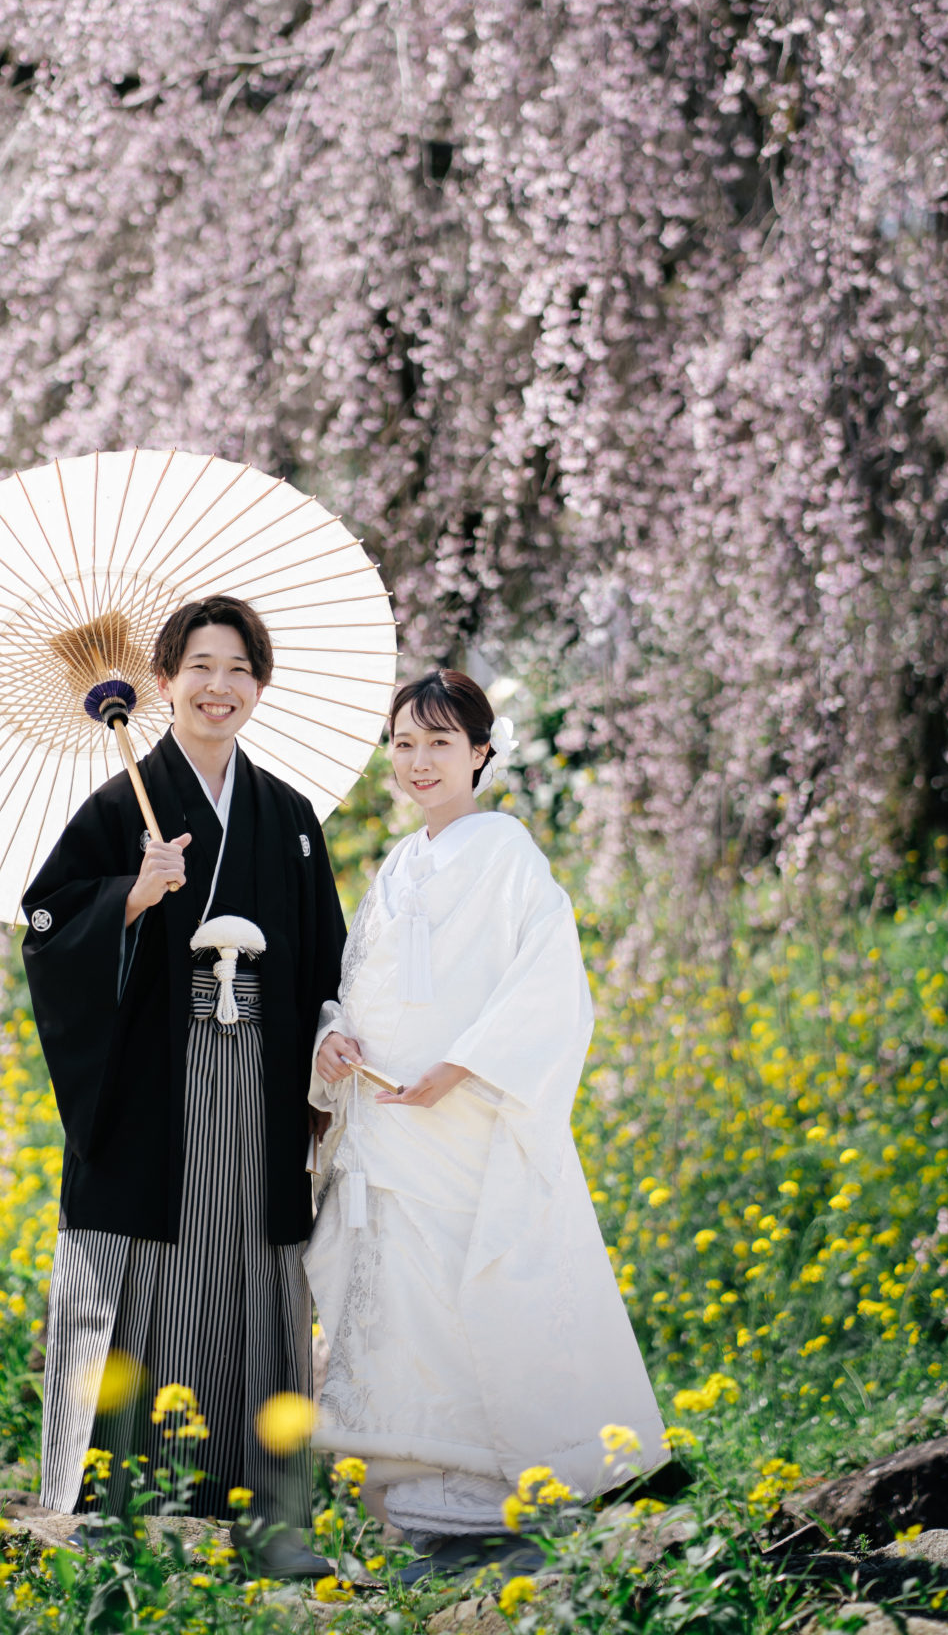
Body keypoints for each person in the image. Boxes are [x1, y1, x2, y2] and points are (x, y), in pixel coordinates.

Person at [305, 669, 666, 1578]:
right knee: (404, 1302)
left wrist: (459, 1067)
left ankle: (517, 1492)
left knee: (486, 1285)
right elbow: (358, 983)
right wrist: (336, 1037)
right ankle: (432, 1498)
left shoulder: (504, 850)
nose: (419, 762)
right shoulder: (397, 862)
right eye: (403, 745)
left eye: (439, 743)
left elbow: (547, 981)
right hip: (390, 1115)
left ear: (479, 754)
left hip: (466, 1111)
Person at [22, 595, 345, 1575]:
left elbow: (328, 958)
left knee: (248, 1259)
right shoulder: (120, 807)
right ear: (161, 681)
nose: (218, 685)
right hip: (156, 1086)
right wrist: (129, 892)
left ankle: (253, 1499)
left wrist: (330, 1034)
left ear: (260, 683)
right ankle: (117, 1501)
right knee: (147, 1266)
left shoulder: (287, 817)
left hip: (259, 1082)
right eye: (198, 665)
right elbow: (45, 926)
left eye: (238, 667)